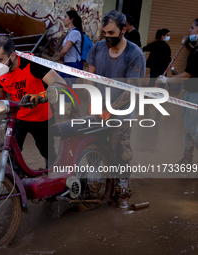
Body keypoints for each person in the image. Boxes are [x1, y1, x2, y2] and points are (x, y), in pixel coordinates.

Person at [86, 10, 146, 209]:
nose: (107, 37)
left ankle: (122, 190)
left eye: (111, 33)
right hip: (99, 108)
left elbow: (130, 90)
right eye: (104, 33)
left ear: (123, 30)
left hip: (123, 112)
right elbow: (90, 78)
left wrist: (110, 110)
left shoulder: (134, 54)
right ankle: (97, 184)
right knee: (95, 146)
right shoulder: (97, 49)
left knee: (120, 151)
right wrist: (92, 104)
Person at [0, 36, 65, 170]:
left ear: (12, 56)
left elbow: (61, 84)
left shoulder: (32, 63)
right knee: (10, 154)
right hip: (17, 117)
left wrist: (41, 97)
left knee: (47, 152)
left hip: (42, 116)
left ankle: (55, 180)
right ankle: (14, 185)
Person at [156, 18, 198, 166]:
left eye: (192, 28)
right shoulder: (196, 49)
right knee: (189, 129)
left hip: (196, 95)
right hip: (191, 92)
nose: (189, 30)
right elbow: (193, 55)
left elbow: (187, 75)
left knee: (191, 129)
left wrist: (167, 80)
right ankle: (187, 160)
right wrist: (188, 45)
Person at [58, 10, 84, 116]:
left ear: (71, 19)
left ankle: (66, 113)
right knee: (60, 85)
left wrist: (57, 59)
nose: (63, 19)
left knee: (66, 88)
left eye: (65, 17)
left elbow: (65, 50)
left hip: (73, 65)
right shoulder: (71, 32)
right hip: (68, 64)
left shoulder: (74, 33)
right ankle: (70, 110)